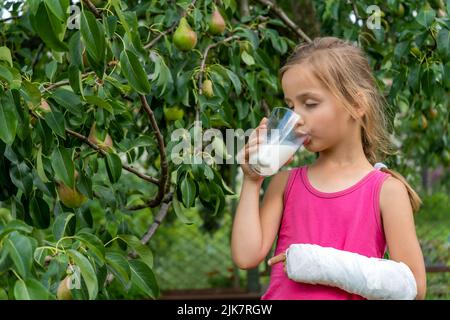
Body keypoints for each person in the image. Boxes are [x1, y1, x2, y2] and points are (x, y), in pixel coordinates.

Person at [231, 37, 426, 300]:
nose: (297, 118)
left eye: (310, 104)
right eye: (291, 106)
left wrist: (322, 264)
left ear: (356, 105)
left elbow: (414, 287)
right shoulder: (285, 183)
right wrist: (252, 181)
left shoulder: (387, 191)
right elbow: (246, 256)